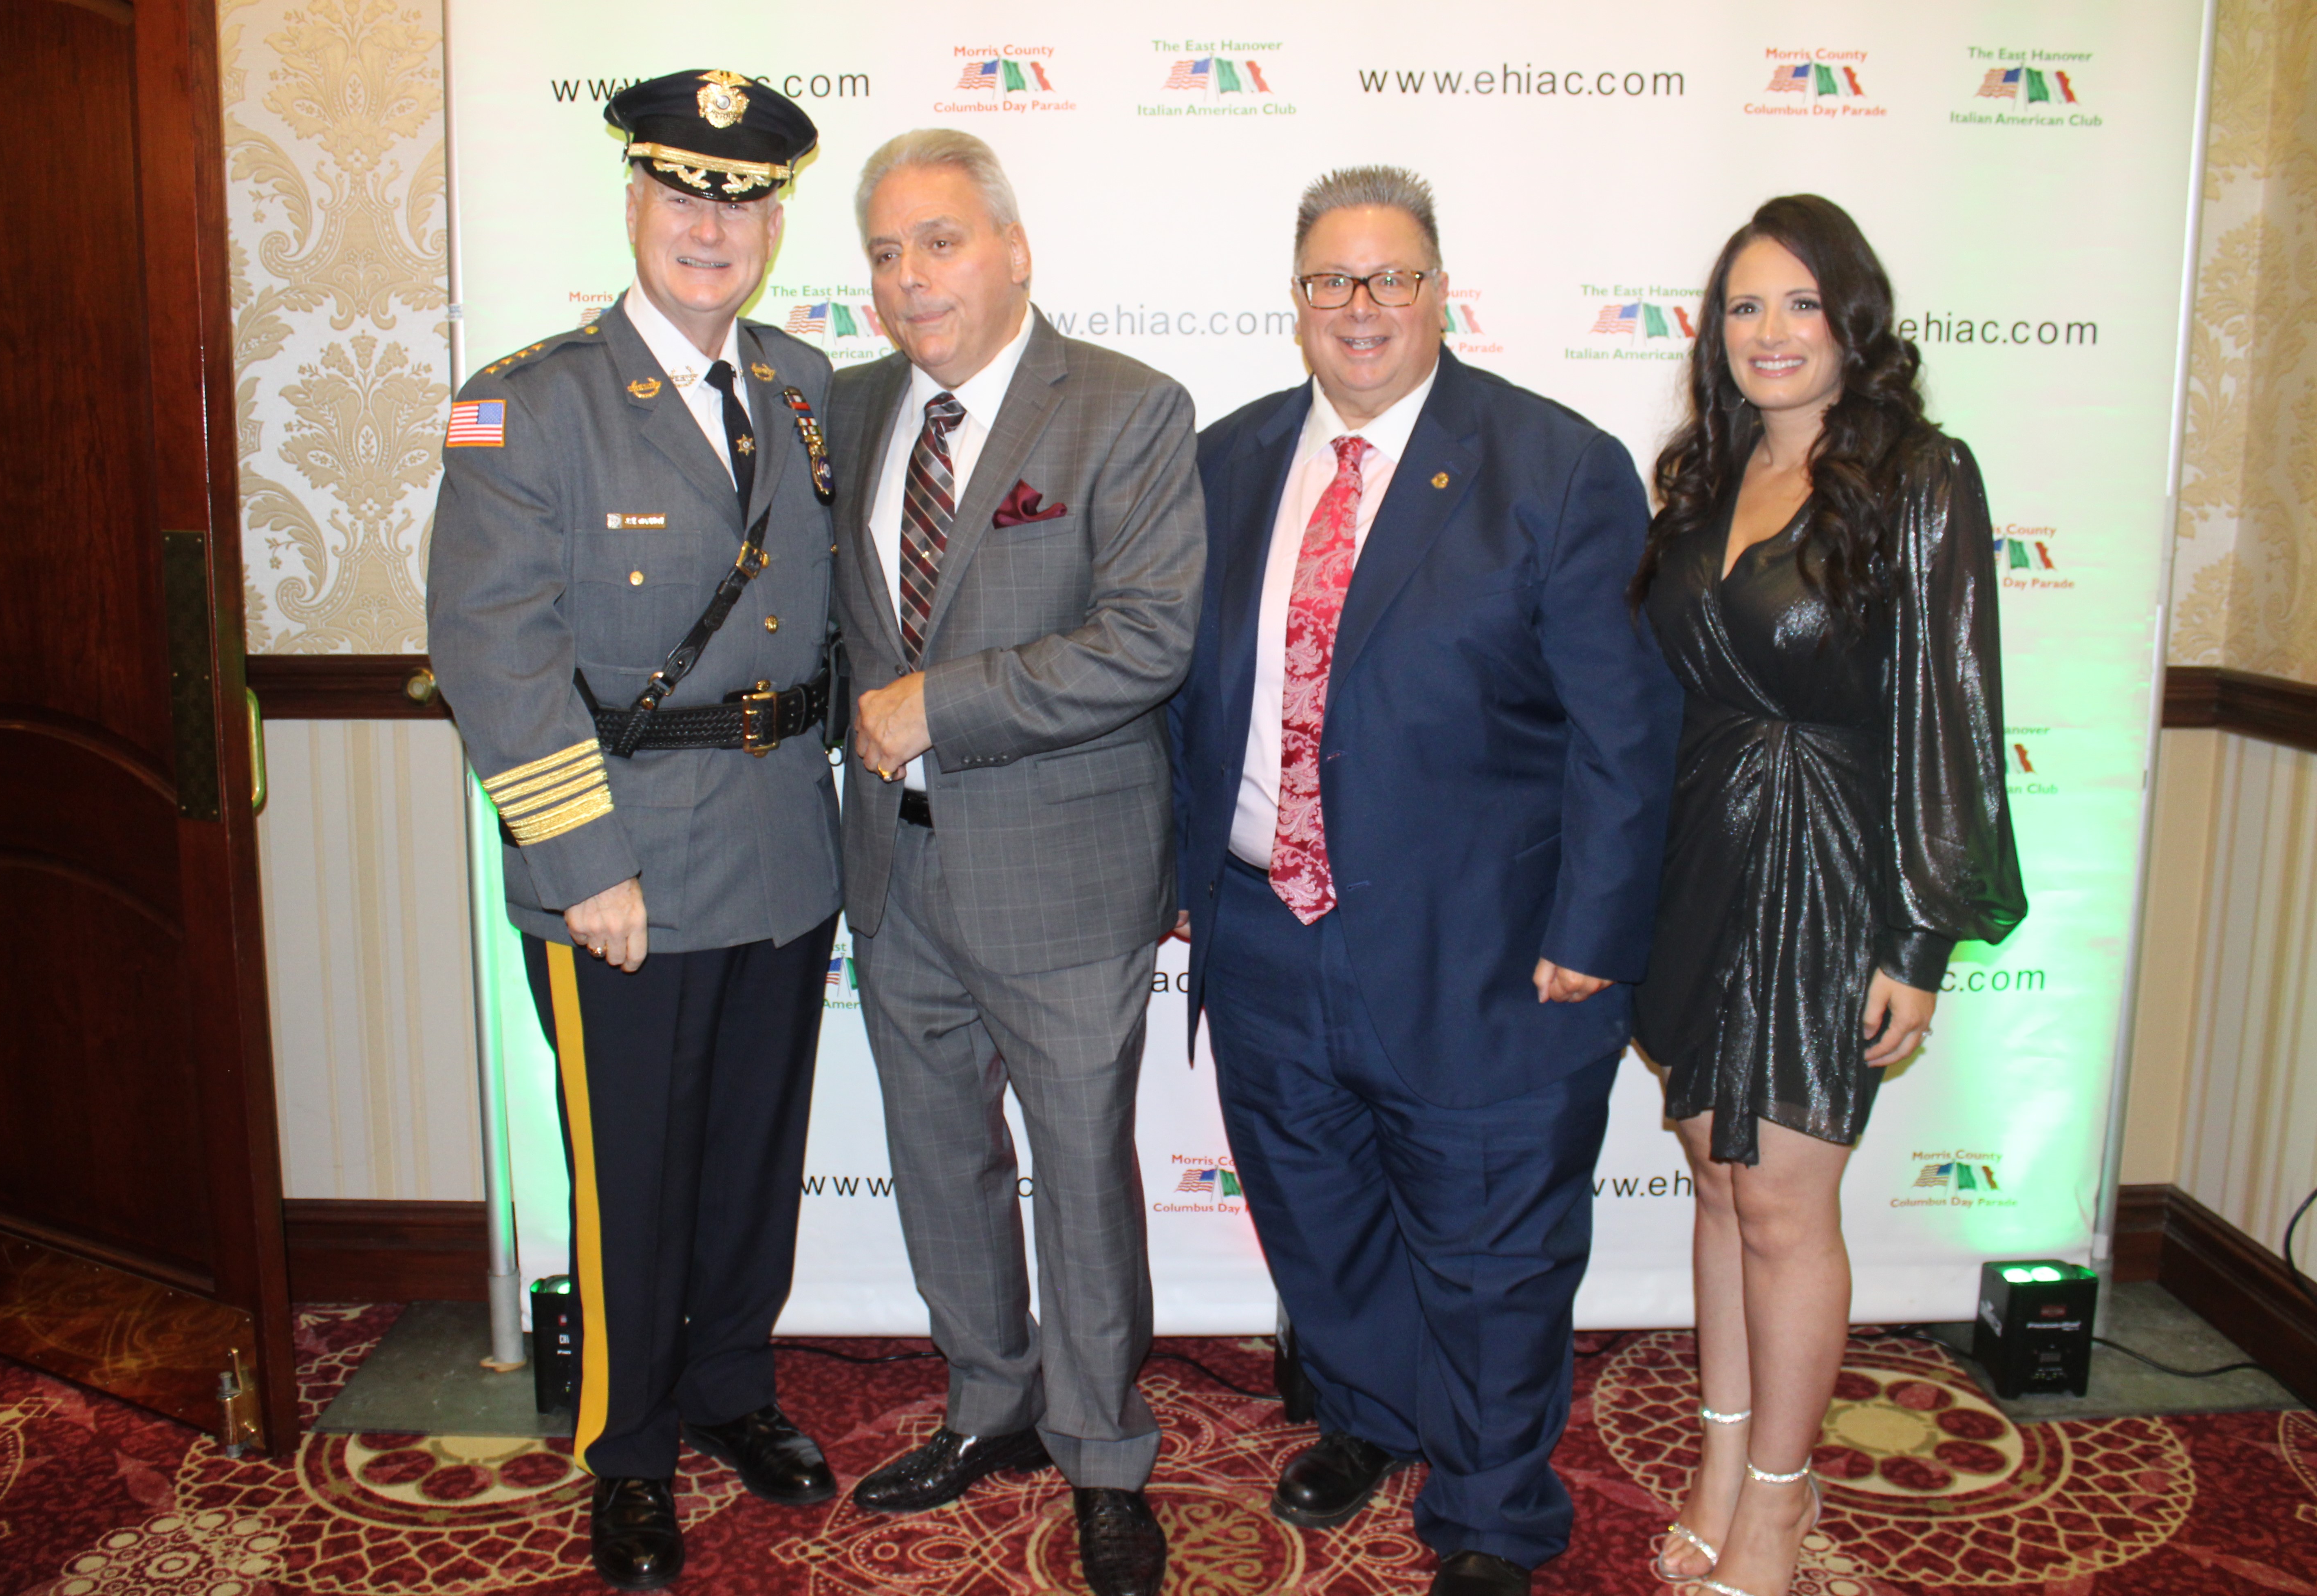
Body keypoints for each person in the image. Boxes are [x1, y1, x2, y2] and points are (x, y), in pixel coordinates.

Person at [1169, 167, 1682, 1596]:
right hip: (1265, 932)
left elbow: (1624, 729)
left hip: (1487, 949)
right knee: (1318, 1219)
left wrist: (1594, 932)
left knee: (1493, 1253)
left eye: (1390, 277)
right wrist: (1177, 871)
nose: (1360, 307)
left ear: (1440, 290)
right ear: (1295, 300)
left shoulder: (1554, 465)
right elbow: (1182, 696)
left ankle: (1494, 1512)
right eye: (1329, 280)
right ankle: (1372, 1417)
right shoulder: (1225, 461)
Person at [426, 70, 847, 1592]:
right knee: (632, 1181)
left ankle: (730, 1384)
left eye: (742, 202)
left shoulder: (802, 380)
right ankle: (628, 1448)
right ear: (632, 202)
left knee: (751, 1158)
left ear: (775, 224)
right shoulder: (530, 401)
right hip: (626, 868)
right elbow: (493, 648)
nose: (709, 228)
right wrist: (580, 862)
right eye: (681, 193)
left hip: (784, 847)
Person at [1630, 195, 2027, 1596]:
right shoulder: (1702, 476)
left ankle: (1781, 1501)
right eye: (1744, 306)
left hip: (1831, 869)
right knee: (1716, 1183)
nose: (1769, 331)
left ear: (1852, 321)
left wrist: (1916, 935)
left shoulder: (1919, 476)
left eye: (1799, 302)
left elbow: (1951, 706)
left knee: (1785, 1207)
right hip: (1701, 858)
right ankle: (1722, 1459)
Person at [825, 130, 1204, 1596]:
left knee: (1079, 1174)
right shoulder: (851, 407)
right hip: (895, 871)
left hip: (1064, 872)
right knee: (939, 1159)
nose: (909, 277)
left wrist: (942, 704)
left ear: (1014, 248)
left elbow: (1146, 640)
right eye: (884, 252)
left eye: (939, 240)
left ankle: (1104, 1450)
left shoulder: (1125, 407)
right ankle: (988, 1400)